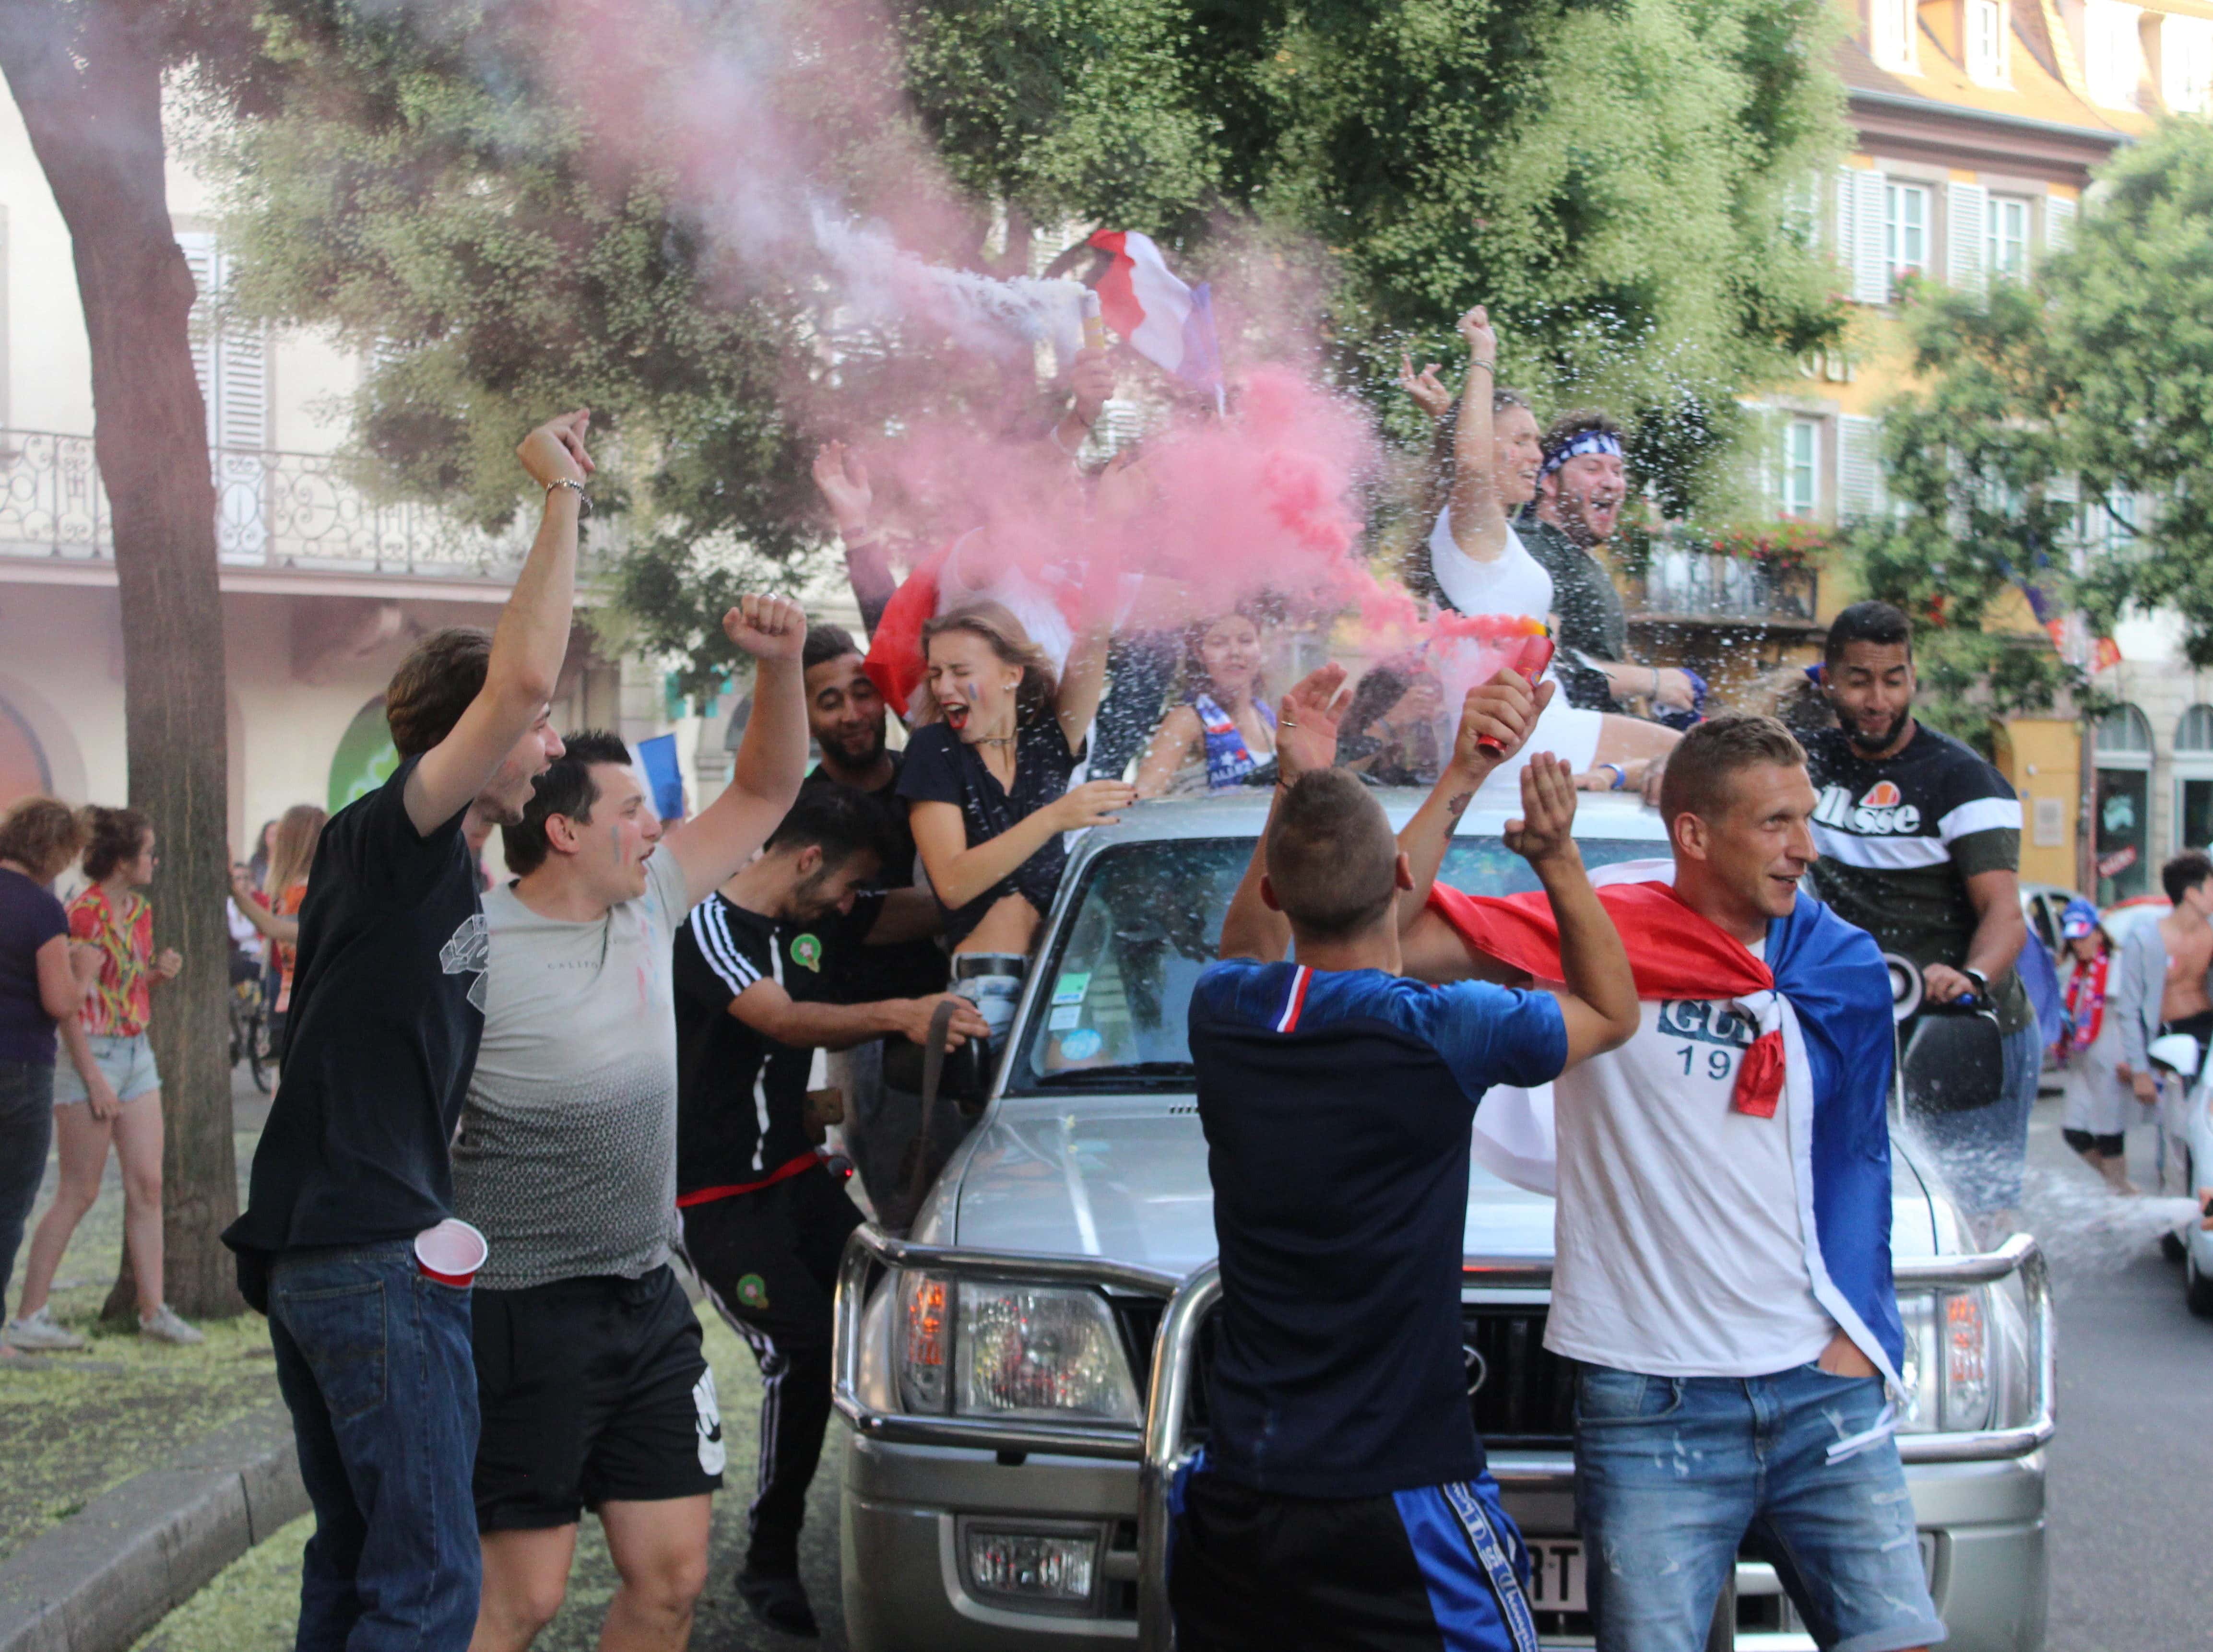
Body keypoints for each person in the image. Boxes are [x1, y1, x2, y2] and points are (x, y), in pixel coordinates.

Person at [1403, 712, 1942, 1652]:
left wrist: (1859, 1346)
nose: (1803, 849)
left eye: (1804, 819)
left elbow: (1858, 1165)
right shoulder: (1595, 932)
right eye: (1774, 823)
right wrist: (1461, 776)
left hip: (1824, 1397)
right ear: (1691, 835)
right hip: (1650, 1408)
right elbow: (1393, 941)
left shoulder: (1841, 967)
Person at [221, 408, 594, 1652]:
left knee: (361, 1564)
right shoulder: (394, 831)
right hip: (366, 1257)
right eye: (528, 731)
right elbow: (527, 677)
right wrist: (557, 496)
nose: (548, 742)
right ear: (463, 732)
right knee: (428, 1581)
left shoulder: (440, 869)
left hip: (342, 1249)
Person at [1170, 663, 1638, 1652]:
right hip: (1400, 1490)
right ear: (1395, 879)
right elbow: (1608, 1012)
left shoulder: (1224, 1014)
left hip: (1242, 1491)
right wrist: (1555, 860)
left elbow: (1268, 929)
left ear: (1268, 885)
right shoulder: (1439, 1033)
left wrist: (1315, 782)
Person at [450, 595, 812, 1652]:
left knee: (672, 1580)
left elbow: (768, 786)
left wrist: (779, 665)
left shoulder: (649, 901)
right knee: (519, 1600)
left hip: (647, 1295)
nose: (655, 827)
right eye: (630, 810)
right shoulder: (474, 949)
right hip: (520, 1315)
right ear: (563, 829)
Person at [672, 787, 989, 1635]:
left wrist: (1013, 863)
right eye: (848, 886)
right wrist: (904, 1015)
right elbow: (780, 1019)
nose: (853, 906)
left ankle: (920, 1519)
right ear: (807, 860)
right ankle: (767, 1558)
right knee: (801, 1349)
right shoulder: (709, 925)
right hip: (714, 1198)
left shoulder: (820, 910)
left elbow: (933, 902)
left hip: (794, 1176)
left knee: (902, 1314)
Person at [1805, 599, 2032, 1232]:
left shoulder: (1964, 780)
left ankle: (1985, 1328)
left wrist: (1972, 978)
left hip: (1967, 1032)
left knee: (1972, 1219)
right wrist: (1645, 770)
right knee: (1864, 1209)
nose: (1877, 698)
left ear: (1911, 679)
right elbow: (1707, 764)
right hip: (1862, 1030)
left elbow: (2005, 915)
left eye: (1893, 678)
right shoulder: (1800, 760)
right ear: (1828, 681)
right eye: (1858, 680)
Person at [898, 600, 1128, 1053]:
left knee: (1074, 1117)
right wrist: (1055, 818)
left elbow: (1095, 637)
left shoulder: (1046, 739)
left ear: (1012, 675)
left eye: (960, 671)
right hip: (991, 984)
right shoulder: (932, 750)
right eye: (935, 673)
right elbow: (952, 883)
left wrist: (1105, 570)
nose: (944, 687)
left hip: (1068, 974)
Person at [9, 806, 200, 1348]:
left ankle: (153, 1309)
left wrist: (153, 976)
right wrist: (92, 1076)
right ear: (121, 861)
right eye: (147, 852)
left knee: (148, 1183)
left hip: (136, 1050)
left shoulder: (137, 912)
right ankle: (30, 1314)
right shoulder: (82, 915)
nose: (154, 861)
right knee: (80, 1190)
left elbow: (121, 984)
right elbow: (70, 1004)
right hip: (92, 1054)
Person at [795, 624, 953, 1212]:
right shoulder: (805, 813)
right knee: (905, 1217)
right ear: (806, 717)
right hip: (869, 1051)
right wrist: (979, 887)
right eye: (829, 701)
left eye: (862, 692)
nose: (853, 713)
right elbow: (864, 922)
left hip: (964, 1020)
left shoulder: (930, 777)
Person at [0, 798, 101, 1363]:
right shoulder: (42, 911)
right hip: (19, 1065)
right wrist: (84, 971)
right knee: (7, 1204)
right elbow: (58, 1000)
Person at [2111, 850, 2213, 1194]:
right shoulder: (2146, 939)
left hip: (2207, 1032)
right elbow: (2128, 1009)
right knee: (2178, 1132)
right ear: (2192, 893)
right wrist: (2140, 1070)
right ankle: (2180, 1221)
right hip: (2171, 1039)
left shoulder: (2211, 934)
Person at [1133, 608, 1278, 797]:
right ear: (1199, 653)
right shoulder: (1186, 719)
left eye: (1246, 641)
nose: (1235, 652)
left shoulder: (1266, 716)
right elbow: (1142, 800)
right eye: (1219, 643)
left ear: (1261, 646)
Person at [228, 803, 328, 1058]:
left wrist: (236, 893)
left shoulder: (302, 891)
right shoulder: (314, 887)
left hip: (307, 1001)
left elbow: (279, 930)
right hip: (306, 998)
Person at [2055, 898, 2134, 1193]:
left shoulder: (2117, 967)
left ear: (2099, 933)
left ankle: (2119, 1194)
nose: (2079, 945)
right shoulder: (2075, 974)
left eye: (2084, 936)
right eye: (2073, 939)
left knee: (2110, 1133)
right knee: (2074, 1131)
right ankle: (2121, 1190)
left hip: (2113, 1060)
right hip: (2083, 1063)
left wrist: (2134, 1059)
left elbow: (2132, 1013)